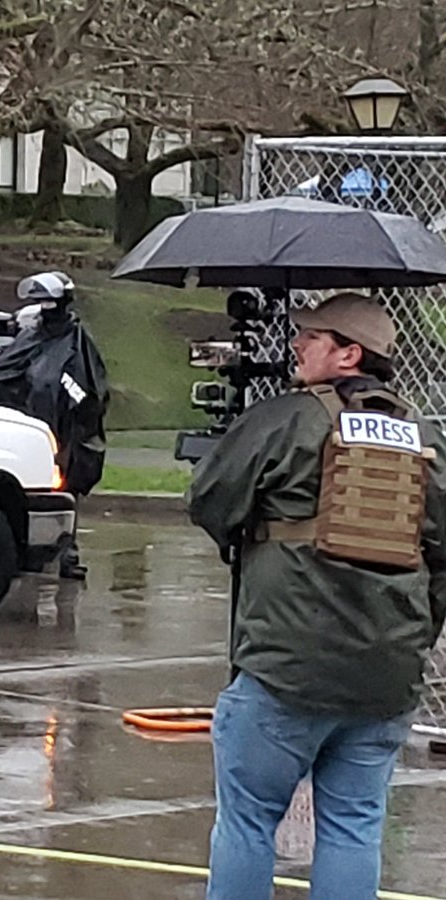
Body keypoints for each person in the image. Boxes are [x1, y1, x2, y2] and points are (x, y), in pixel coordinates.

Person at [187, 293, 446, 899]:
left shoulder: (288, 418)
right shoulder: (425, 438)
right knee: (354, 828)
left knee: (249, 821)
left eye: (313, 337)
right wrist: (412, 637)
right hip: (386, 676)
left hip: (286, 668)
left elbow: (210, 498)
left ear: (349, 354)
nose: (297, 346)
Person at [0, 272, 109, 579]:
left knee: (64, 491)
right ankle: (26, 551)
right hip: (27, 428)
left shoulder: (78, 344)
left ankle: (67, 551)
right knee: (25, 489)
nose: (47, 311)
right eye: (43, 304)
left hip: (64, 432)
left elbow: (91, 391)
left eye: (52, 303)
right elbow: (3, 372)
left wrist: (75, 412)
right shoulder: (32, 337)